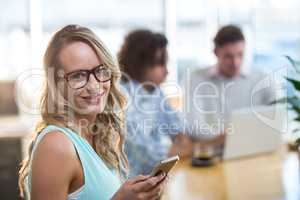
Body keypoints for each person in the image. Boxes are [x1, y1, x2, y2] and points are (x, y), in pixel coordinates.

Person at [18, 25, 167, 200]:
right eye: (78, 76)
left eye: (100, 70)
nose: (94, 85)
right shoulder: (56, 145)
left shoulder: (98, 135)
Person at [183, 25, 275, 150]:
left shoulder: (262, 79)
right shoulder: (196, 79)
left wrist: (233, 136)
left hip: (255, 150)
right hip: (212, 154)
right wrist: (228, 137)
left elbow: (276, 119)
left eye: (240, 55)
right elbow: (193, 127)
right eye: (228, 56)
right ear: (215, 52)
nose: (235, 62)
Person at [118, 29, 193, 177]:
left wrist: (184, 143)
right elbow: (152, 155)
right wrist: (193, 148)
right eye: (160, 63)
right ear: (139, 63)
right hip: (129, 187)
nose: (167, 71)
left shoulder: (153, 90)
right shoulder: (121, 97)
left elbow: (177, 128)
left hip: (154, 180)